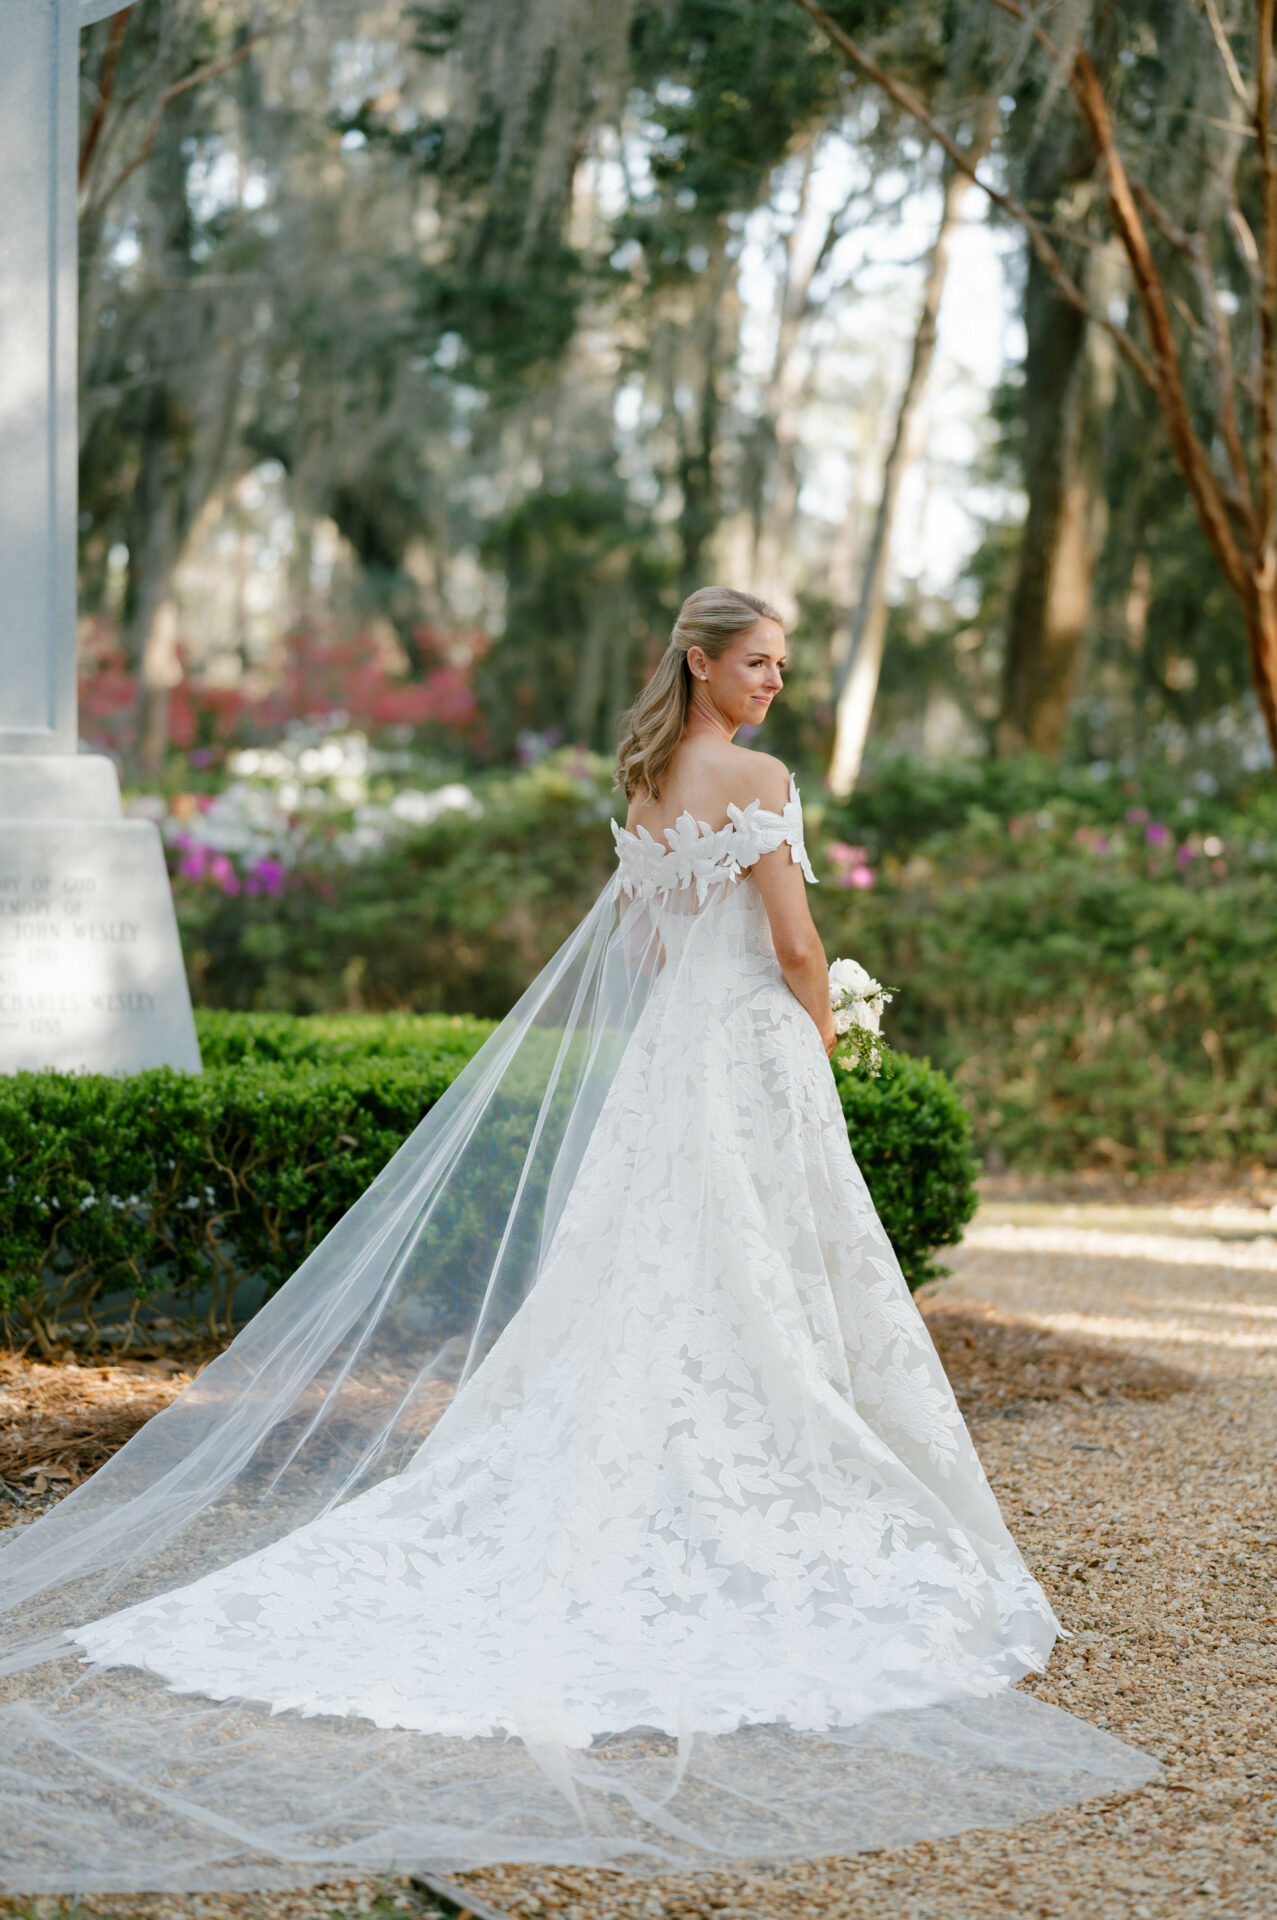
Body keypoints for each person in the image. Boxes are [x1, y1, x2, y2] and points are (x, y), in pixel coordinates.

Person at [0, 589, 1155, 1892]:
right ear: (701, 661)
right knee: (762, 1280)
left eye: (782, 665)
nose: (774, 682)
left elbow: (643, 944)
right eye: (756, 662)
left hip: (670, 1070)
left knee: (652, 1285)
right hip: (749, 1059)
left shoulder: (655, 780)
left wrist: (715, 1006)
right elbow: (793, 938)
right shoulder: (756, 775)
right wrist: (820, 1042)